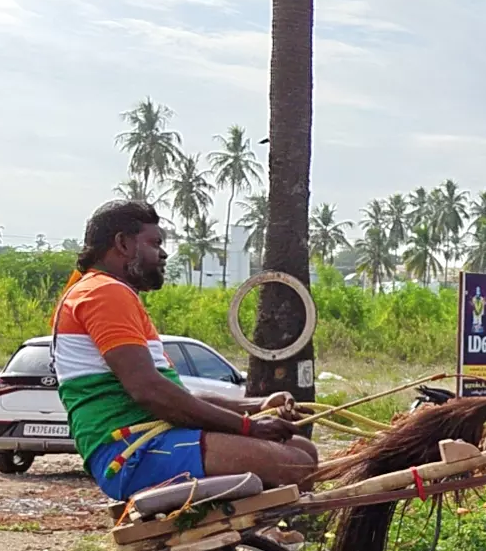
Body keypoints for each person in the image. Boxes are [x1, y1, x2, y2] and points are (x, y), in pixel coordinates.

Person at [51, 199, 318, 502]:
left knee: (302, 449)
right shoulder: (105, 293)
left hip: (149, 443)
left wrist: (256, 405)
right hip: (134, 453)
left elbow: (180, 397)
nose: (163, 254)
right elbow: (150, 392)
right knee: (295, 463)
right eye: (155, 243)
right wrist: (249, 427)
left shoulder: (111, 293)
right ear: (123, 243)